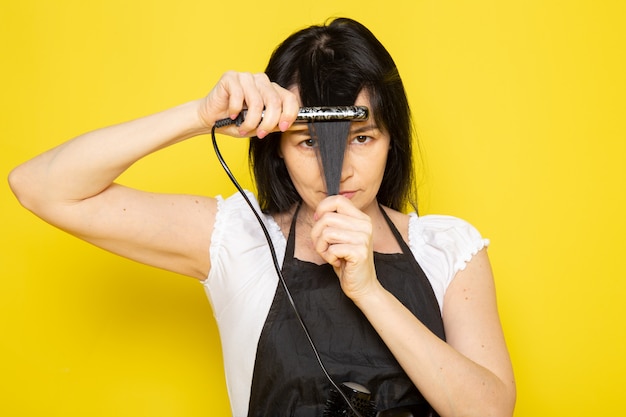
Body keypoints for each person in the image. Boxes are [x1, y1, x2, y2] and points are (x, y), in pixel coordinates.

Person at [8, 17, 515, 417]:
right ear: (276, 147)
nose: (338, 168)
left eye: (362, 137)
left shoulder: (446, 247)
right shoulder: (238, 238)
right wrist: (201, 115)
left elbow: (489, 411)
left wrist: (369, 291)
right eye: (308, 142)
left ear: (392, 139)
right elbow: (39, 188)